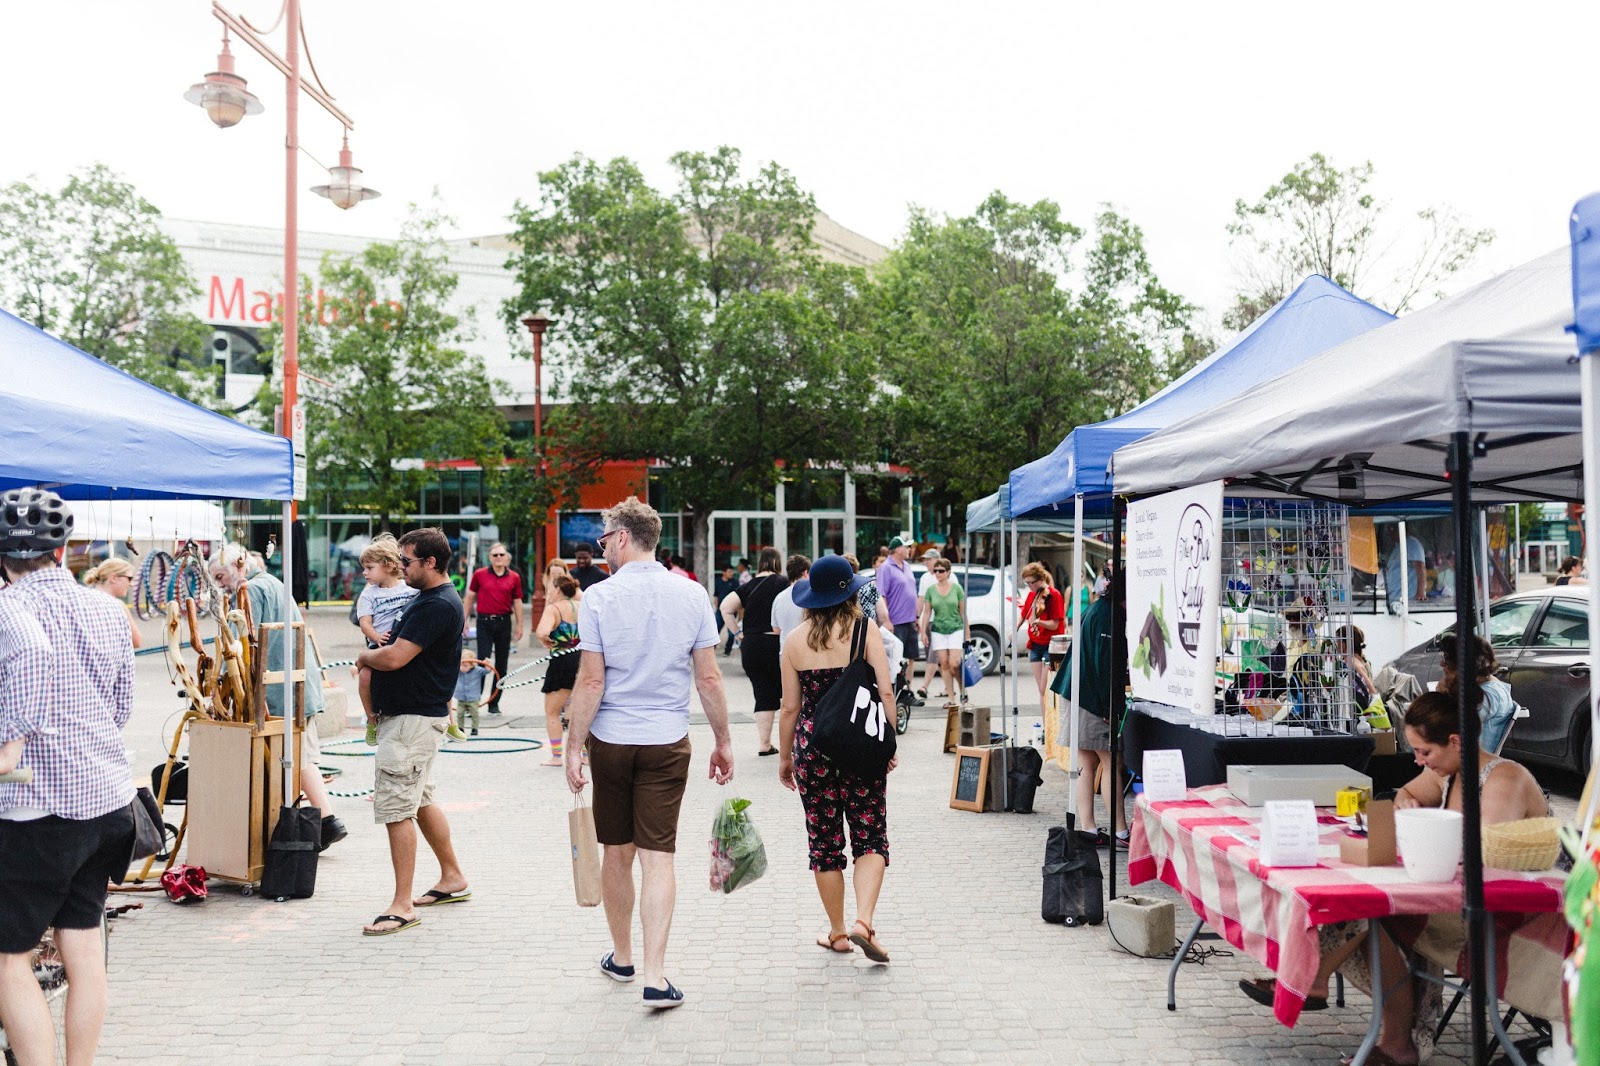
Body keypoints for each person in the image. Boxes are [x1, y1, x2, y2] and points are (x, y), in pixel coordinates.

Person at [1238, 691, 1548, 1064]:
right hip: (1455, 899)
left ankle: (1319, 982)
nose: (1418, 760)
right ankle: (1391, 1037)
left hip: (1511, 919)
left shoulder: (1503, 780)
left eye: (1424, 752)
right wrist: (1408, 804)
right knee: (1362, 905)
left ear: (1455, 742)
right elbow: (1404, 794)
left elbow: (1485, 855)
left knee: (1365, 909)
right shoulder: (1450, 773)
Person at [563, 497, 734, 1009]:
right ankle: (656, 977)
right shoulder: (692, 593)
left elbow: (591, 681)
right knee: (659, 858)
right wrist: (724, 740)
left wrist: (574, 746)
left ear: (620, 537)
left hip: (611, 742)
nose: (602, 549)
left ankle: (623, 956)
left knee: (618, 853)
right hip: (666, 739)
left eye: (603, 539)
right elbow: (708, 677)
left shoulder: (597, 598)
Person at [0, 489, 135, 1066]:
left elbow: (27, 669)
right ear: (62, 552)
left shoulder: (8, 610)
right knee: (85, 951)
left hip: (38, 809)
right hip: (108, 800)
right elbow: (121, 706)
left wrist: (12, 742)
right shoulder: (106, 608)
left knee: (8, 957)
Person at [778, 553, 898, 963]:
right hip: (861, 745)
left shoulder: (794, 642)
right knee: (870, 835)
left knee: (824, 843)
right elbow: (885, 692)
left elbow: (790, 708)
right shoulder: (867, 631)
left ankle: (838, 933)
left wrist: (785, 758)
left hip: (814, 749)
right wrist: (890, 742)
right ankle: (864, 921)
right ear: (850, 592)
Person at [356, 527, 471, 936]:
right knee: (419, 800)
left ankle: (402, 904)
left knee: (396, 809)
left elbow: (396, 657)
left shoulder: (436, 605)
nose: (400, 567)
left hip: (411, 721)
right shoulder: (427, 598)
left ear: (431, 563)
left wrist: (364, 656)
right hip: (414, 718)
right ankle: (452, 876)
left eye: (406, 561)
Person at [209, 542, 346, 851]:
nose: (219, 585)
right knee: (299, 754)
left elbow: (242, 642)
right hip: (294, 681)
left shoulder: (253, 591)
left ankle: (325, 821)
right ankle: (322, 821)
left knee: (295, 755)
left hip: (284, 686)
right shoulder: (270, 583)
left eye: (220, 577)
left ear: (240, 567)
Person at [1055, 586, 1127, 849]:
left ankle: (1089, 829)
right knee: (1112, 761)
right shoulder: (1110, 616)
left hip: (1076, 690)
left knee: (1088, 760)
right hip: (1091, 696)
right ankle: (1120, 832)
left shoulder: (1095, 608)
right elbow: (1104, 663)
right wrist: (1109, 707)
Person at [354, 535, 423, 745]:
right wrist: (376, 636)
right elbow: (365, 622)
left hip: (405, 642)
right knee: (365, 677)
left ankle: (448, 719)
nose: (364, 573)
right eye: (364, 568)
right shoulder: (368, 595)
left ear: (389, 566)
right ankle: (371, 719)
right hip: (380, 644)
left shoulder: (410, 590)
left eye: (369, 568)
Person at [720, 548, 788, 756]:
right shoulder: (783, 583)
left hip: (751, 644)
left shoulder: (747, 586)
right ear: (777, 562)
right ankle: (791, 744)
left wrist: (738, 634)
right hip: (774, 643)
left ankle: (764, 744)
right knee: (789, 694)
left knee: (762, 694)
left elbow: (725, 607)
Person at [463, 542, 524, 715]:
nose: (498, 558)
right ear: (489, 558)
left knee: (502, 665)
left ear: (507, 558)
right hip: (484, 622)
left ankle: (494, 703)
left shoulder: (514, 577)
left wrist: (520, 625)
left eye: (501, 555)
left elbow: (518, 602)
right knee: (482, 661)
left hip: (504, 622)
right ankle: (473, 702)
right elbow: (470, 597)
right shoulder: (480, 574)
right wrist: (464, 621)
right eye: (495, 555)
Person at [1436, 632, 1517, 754]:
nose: (1442, 664)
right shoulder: (1487, 688)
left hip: (1471, 763)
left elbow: (1448, 728)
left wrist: (1443, 696)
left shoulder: (1489, 695)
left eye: (1447, 658)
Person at [536, 572, 583, 765]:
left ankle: (557, 756)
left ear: (557, 589)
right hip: (584, 659)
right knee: (582, 709)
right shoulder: (582, 606)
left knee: (553, 712)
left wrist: (544, 640)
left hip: (561, 662)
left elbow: (542, 631)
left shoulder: (553, 609)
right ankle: (585, 755)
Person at [918, 559, 969, 709]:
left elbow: (963, 612)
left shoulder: (957, 589)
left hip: (955, 628)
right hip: (938, 630)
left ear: (948, 572)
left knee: (955, 663)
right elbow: (927, 613)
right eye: (936, 571)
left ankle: (962, 690)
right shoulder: (931, 590)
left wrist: (967, 634)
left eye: (941, 571)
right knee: (944, 664)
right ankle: (952, 699)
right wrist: (923, 632)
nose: (938, 574)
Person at [877, 538, 921, 703]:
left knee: (911, 656)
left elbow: (912, 592)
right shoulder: (886, 568)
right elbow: (882, 595)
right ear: (897, 549)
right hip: (895, 621)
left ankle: (907, 692)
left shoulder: (907, 566)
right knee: (896, 659)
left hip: (909, 619)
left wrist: (916, 615)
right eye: (906, 546)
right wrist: (886, 620)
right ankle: (896, 692)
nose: (909, 549)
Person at [1017, 562, 1064, 710]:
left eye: (1033, 582)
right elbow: (1024, 614)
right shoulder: (1032, 595)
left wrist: (1039, 622)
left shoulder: (1054, 595)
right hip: (1035, 644)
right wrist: (1015, 629)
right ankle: (1045, 727)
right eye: (1027, 583)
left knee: (1045, 689)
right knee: (1041, 691)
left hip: (1050, 645)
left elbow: (1055, 625)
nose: (1030, 586)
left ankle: (1051, 725)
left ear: (1041, 579)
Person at [80, 556, 141, 649]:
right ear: (113, 578)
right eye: (129, 578)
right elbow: (136, 642)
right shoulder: (118, 606)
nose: (131, 584)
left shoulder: (81, 601)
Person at [914, 548, 945, 699]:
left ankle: (924, 687)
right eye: (925, 560)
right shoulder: (926, 577)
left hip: (942, 623)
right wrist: (917, 617)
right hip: (929, 621)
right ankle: (949, 688)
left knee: (933, 655)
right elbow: (921, 599)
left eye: (929, 559)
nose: (926, 562)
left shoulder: (946, 576)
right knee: (934, 657)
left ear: (937, 560)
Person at [769, 554, 810, 647]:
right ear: (805, 572)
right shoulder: (810, 595)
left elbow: (776, 629)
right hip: (806, 650)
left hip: (785, 651)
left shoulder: (779, 598)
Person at [451, 649, 490, 737]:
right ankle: (460, 728)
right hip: (461, 697)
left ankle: (474, 728)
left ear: (472, 665)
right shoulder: (458, 671)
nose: (462, 668)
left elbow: (487, 671)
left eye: (465, 665)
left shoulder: (477, 671)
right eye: (461, 665)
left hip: (473, 698)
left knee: (474, 714)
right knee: (460, 714)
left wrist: (487, 665)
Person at [1384, 531, 1427, 609]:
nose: (1389, 532)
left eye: (1392, 529)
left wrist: (1421, 593)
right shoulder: (1397, 547)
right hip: (1395, 601)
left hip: (1409, 603)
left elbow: (1420, 568)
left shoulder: (1412, 544)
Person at [713, 566, 739, 655]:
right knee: (716, 629)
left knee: (731, 631)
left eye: (732, 572)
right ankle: (712, 648)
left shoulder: (735, 583)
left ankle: (727, 650)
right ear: (724, 572)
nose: (731, 573)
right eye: (729, 571)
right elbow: (716, 595)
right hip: (720, 610)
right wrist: (716, 605)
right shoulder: (718, 581)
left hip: (731, 610)